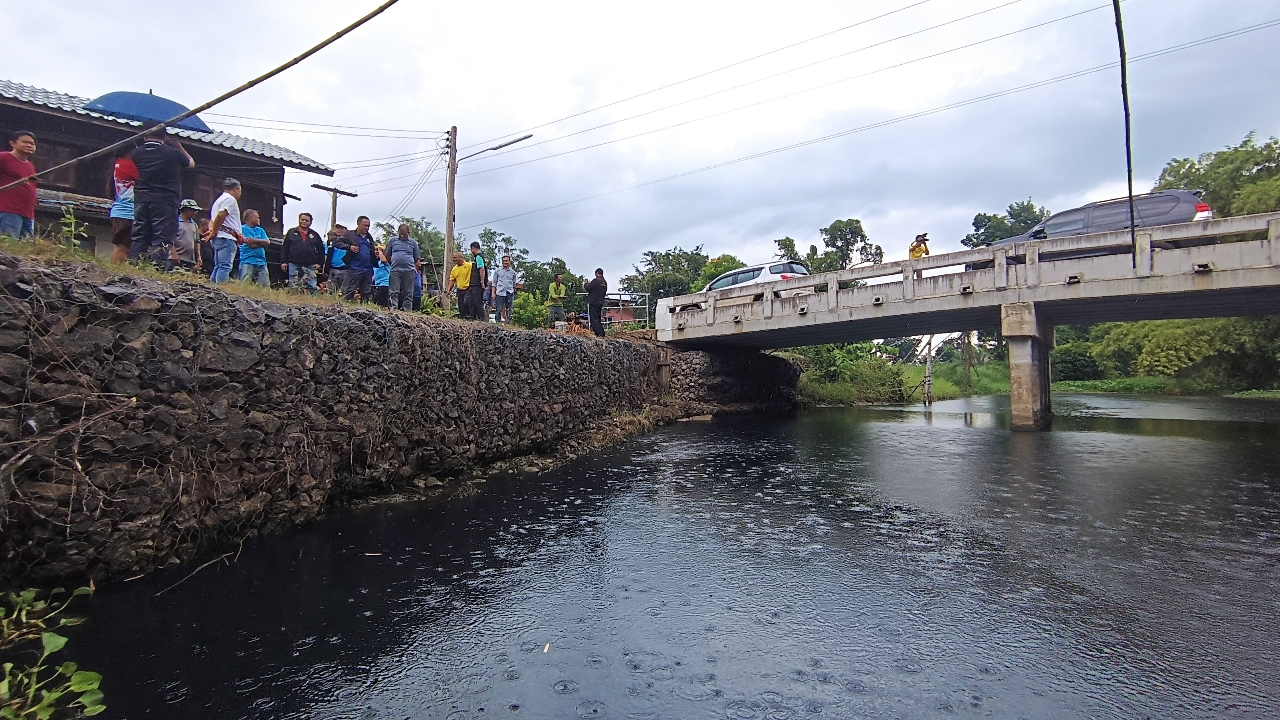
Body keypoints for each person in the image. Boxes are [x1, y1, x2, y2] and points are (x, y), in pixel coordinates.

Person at [129, 123, 195, 260]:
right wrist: (179, 146)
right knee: (162, 237)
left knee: (140, 236)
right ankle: (156, 269)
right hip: (166, 200)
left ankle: (134, 265)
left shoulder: (137, 153)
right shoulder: (173, 153)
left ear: (145, 135)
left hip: (141, 197)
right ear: (165, 136)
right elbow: (191, 163)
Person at [204, 178, 245, 284]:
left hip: (219, 236)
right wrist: (213, 232)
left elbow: (212, 220)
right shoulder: (230, 199)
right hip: (226, 237)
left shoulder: (218, 200)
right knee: (225, 266)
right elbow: (221, 215)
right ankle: (221, 290)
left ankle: (213, 288)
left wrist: (213, 231)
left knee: (218, 266)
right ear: (236, 189)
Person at [0, 131, 38, 240]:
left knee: (24, 247)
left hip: (27, 212)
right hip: (8, 209)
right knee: (8, 243)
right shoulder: (3, 158)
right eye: (25, 142)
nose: (29, 145)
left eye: (32, 143)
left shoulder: (30, 166)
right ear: (13, 143)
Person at [281, 212, 324, 293]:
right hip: (293, 263)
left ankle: (313, 302)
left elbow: (321, 249)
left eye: (306, 220)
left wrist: (320, 263)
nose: (304, 222)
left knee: (311, 285)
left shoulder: (315, 235)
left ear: (310, 222)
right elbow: (285, 247)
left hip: (310, 264)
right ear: (299, 220)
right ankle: (294, 301)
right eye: (302, 220)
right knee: (294, 285)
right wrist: (283, 261)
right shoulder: (291, 232)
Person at [108, 145, 137, 263]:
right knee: (123, 246)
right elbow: (144, 176)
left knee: (125, 245)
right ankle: (116, 270)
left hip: (122, 210)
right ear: (130, 151)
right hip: (126, 211)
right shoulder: (127, 164)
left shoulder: (118, 164)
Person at [336, 216, 375, 302]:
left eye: (368, 226)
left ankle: (365, 310)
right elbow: (336, 242)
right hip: (355, 267)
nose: (367, 227)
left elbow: (371, 250)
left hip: (367, 268)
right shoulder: (350, 234)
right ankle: (347, 307)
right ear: (358, 224)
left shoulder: (369, 237)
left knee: (366, 292)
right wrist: (349, 247)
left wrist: (375, 254)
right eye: (364, 225)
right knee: (349, 290)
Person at [386, 223, 421, 311]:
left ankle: (407, 310)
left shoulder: (413, 243)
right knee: (394, 291)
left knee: (408, 292)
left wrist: (414, 268)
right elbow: (387, 255)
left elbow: (417, 258)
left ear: (408, 233)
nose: (402, 236)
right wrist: (393, 263)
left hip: (409, 270)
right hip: (395, 269)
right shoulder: (392, 241)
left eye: (404, 234)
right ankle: (393, 309)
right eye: (400, 234)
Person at [237, 209, 270, 286]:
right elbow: (249, 243)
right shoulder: (242, 228)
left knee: (264, 286)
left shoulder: (261, 230)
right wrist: (262, 243)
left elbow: (267, 242)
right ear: (251, 218)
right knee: (245, 284)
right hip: (247, 261)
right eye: (257, 217)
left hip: (262, 262)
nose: (259, 219)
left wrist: (254, 241)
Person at [170, 199, 202, 271]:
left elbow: (197, 241)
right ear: (186, 210)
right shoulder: (175, 223)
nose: (195, 212)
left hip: (190, 259)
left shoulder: (194, 225)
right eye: (193, 210)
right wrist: (173, 253)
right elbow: (170, 240)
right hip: (177, 257)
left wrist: (198, 256)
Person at [490, 255, 519, 323]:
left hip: (509, 293)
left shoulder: (513, 272)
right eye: (503, 261)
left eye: (506, 261)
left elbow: (514, 283)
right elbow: (494, 283)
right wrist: (493, 293)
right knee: (498, 309)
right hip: (500, 293)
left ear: (509, 262)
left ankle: (509, 323)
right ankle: (498, 323)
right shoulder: (497, 271)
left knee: (509, 309)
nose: (505, 262)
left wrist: (512, 290)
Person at [445, 251, 472, 318]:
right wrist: (448, 290)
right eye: (453, 258)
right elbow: (452, 280)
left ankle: (470, 317)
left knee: (467, 303)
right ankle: (462, 318)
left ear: (461, 257)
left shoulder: (469, 265)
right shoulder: (454, 269)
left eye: (455, 258)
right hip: (460, 289)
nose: (454, 259)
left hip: (468, 288)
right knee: (461, 305)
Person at [325, 224, 348, 294]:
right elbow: (326, 255)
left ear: (346, 230)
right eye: (337, 228)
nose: (339, 230)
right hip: (333, 270)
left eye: (341, 228)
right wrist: (324, 269)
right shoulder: (330, 242)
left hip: (346, 270)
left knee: (345, 291)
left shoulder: (350, 242)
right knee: (331, 291)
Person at [467, 241, 488, 321]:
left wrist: (482, 282)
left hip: (477, 283)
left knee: (477, 302)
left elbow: (481, 269)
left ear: (473, 248)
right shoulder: (480, 257)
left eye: (471, 249)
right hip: (475, 283)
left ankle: (481, 318)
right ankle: (473, 318)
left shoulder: (479, 257)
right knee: (472, 302)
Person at [585, 268, 608, 337]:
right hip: (600, 302)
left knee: (593, 318)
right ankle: (602, 332)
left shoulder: (596, 281)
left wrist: (586, 283)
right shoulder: (604, 282)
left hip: (594, 301)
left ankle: (598, 333)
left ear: (596, 273)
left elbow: (589, 288)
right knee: (598, 318)